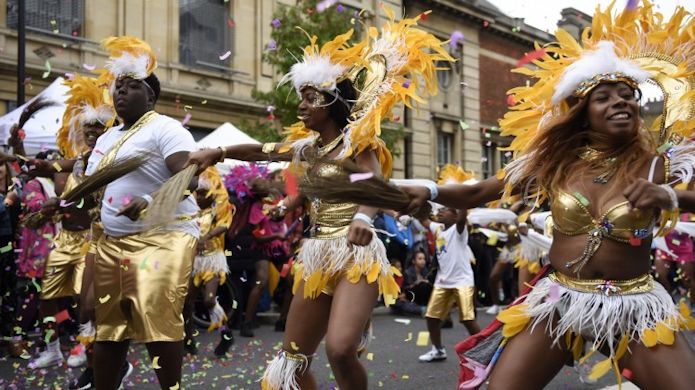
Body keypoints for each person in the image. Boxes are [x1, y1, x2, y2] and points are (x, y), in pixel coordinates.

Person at [313, 3, 695, 388]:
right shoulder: (555, 163)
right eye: (605, 97)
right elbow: (480, 191)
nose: (620, 102)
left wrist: (672, 199)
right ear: (583, 113)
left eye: (627, 95)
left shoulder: (658, 165)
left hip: (634, 304)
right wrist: (427, 188)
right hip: (561, 300)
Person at [187, 10, 452, 389]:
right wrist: (218, 151)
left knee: (341, 350)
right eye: (302, 97)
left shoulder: (356, 146)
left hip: (356, 256)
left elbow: (371, 181)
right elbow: (263, 151)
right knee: (292, 361)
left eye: (311, 98)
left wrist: (363, 217)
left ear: (331, 102)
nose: (302, 105)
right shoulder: (306, 150)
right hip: (315, 256)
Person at [87, 36, 199, 390]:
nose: (120, 92)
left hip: (164, 237)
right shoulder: (105, 139)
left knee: (156, 318)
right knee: (109, 329)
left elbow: (189, 176)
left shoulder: (165, 128)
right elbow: (90, 187)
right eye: (118, 87)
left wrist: (150, 201)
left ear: (151, 96)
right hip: (113, 244)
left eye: (131, 86)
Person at [25, 75, 114, 378]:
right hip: (63, 241)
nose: (92, 134)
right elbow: (55, 181)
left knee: (83, 303)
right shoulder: (70, 165)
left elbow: (98, 206)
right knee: (47, 299)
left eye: (98, 129)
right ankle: (51, 350)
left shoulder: (107, 165)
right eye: (87, 129)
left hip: (90, 242)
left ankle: (84, 350)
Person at [418, 167, 481, 363]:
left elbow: (463, 216)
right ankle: (438, 350)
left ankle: (483, 350)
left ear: (454, 216)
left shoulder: (459, 231)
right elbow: (423, 220)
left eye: (446, 210)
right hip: (442, 282)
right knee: (432, 317)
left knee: (468, 319)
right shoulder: (438, 229)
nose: (441, 212)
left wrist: (462, 197)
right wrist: (414, 207)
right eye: (441, 210)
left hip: (462, 281)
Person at [183, 166, 233, 356]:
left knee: (209, 300)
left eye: (205, 193)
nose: (201, 197)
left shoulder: (217, 210)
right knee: (186, 303)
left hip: (213, 260)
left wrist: (207, 236)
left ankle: (226, 334)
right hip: (193, 260)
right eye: (198, 193)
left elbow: (225, 225)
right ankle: (188, 340)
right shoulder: (191, 209)